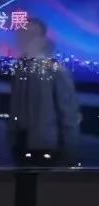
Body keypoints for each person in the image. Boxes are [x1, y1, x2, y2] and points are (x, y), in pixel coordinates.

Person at [10, 18, 80, 167]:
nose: (26, 39)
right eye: (23, 34)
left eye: (31, 35)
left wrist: (70, 154)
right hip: (21, 143)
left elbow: (68, 114)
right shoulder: (20, 69)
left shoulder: (55, 70)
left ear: (42, 40)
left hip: (46, 146)